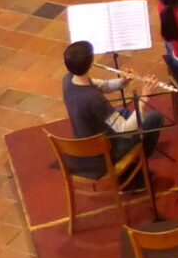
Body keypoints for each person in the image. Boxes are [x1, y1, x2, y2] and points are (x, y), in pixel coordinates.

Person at [59, 40, 167, 174]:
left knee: (122, 111)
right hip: (103, 151)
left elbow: (103, 85)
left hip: (86, 138)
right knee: (155, 118)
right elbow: (124, 130)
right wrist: (143, 98)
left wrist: (123, 81)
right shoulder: (94, 99)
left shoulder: (68, 79)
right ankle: (136, 169)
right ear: (91, 63)